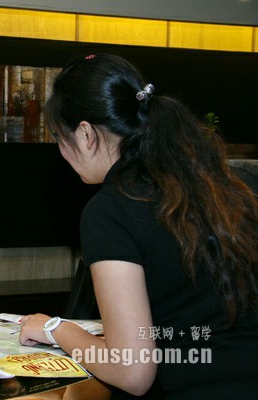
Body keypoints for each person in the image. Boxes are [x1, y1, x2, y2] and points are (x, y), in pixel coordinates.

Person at [18, 54, 258, 399]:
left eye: (58, 136)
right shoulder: (229, 186)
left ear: (85, 133)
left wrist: (55, 328)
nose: (61, 151)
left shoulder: (112, 210)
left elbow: (132, 370)